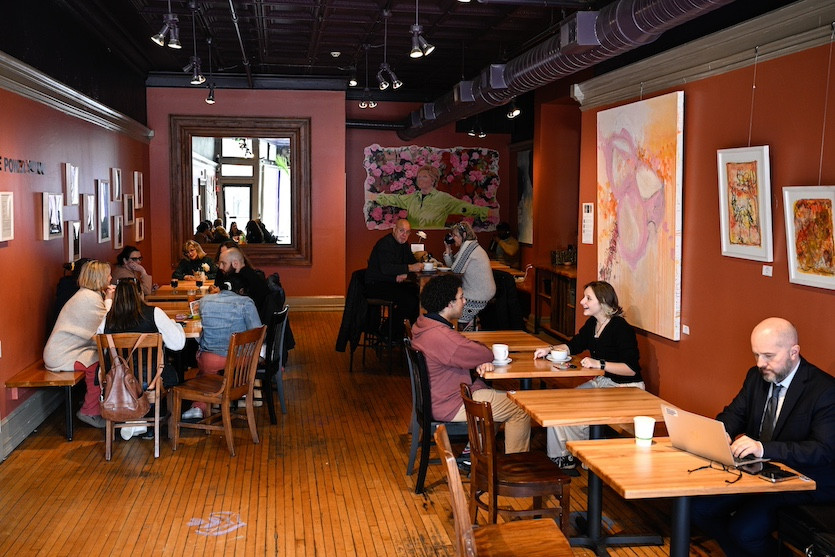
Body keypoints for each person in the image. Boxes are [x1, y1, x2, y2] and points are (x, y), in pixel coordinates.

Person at [690, 317, 835, 557]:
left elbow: (823, 450)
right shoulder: (756, 377)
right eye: (756, 355)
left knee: (744, 531)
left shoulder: (824, 391)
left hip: (805, 480)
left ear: (793, 352)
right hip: (759, 473)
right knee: (699, 510)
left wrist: (763, 448)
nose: (760, 363)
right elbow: (733, 414)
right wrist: (721, 433)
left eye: (768, 356)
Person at [411, 274, 530, 454]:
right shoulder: (443, 337)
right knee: (521, 408)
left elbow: (468, 351)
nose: (465, 301)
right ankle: (516, 470)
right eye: (461, 297)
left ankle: (472, 453)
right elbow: (484, 353)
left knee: (499, 401)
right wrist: (479, 359)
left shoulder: (424, 325)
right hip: (451, 403)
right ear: (448, 304)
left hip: (437, 398)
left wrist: (476, 360)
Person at [533, 280, 643, 473]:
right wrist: (548, 349)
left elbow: (631, 369)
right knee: (559, 403)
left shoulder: (621, 328)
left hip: (627, 389)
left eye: (588, 298)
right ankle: (561, 457)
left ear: (603, 302)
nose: (582, 301)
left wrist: (598, 364)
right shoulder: (593, 323)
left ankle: (588, 452)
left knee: (579, 413)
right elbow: (573, 345)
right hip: (603, 382)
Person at [102, 278, 186, 439]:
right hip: (150, 381)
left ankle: (136, 420)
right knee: (169, 373)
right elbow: (178, 344)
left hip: (117, 382)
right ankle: (142, 420)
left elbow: (101, 347)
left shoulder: (107, 319)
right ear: (140, 294)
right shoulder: (154, 313)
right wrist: (174, 325)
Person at [44, 260, 115, 429]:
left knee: (101, 360)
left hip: (72, 349)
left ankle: (94, 402)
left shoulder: (89, 295)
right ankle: (89, 411)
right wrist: (110, 299)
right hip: (61, 354)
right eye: (108, 275)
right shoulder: (88, 299)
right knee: (97, 364)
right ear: (99, 278)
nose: (111, 277)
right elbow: (106, 323)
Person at [181, 280, 262, 420]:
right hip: (241, 360)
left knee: (204, 372)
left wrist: (203, 345)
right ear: (241, 290)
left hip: (211, 360)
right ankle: (237, 390)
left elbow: (201, 330)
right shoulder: (246, 302)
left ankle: (199, 406)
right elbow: (257, 331)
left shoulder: (205, 301)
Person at [372, 165, 491, 229]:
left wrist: (487, 212)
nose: (420, 179)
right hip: (412, 240)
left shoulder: (443, 198)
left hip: (435, 239)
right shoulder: (412, 197)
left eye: (424, 177)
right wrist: (373, 196)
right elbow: (395, 199)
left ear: (433, 180)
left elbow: (464, 207)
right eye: (419, 176)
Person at [365, 218, 422, 336]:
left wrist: (416, 264)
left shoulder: (404, 245)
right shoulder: (385, 244)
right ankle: (387, 332)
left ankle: (412, 335)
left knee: (418, 295)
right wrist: (409, 268)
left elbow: (411, 262)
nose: (404, 235)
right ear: (394, 230)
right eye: (402, 231)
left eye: (407, 232)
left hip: (390, 283)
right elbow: (386, 269)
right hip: (376, 285)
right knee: (409, 300)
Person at [443, 221, 496, 330]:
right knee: (451, 303)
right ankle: (469, 329)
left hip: (479, 294)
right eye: (452, 236)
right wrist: (448, 249)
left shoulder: (469, 247)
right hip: (479, 291)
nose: (453, 239)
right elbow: (453, 265)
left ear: (464, 235)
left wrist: (450, 256)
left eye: (455, 236)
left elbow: (456, 270)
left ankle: (466, 332)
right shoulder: (469, 245)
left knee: (452, 310)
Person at [215, 247, 269, 312]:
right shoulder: (244, 274)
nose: (220, 267)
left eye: (223, 263)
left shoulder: (246, 279)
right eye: (219, 263)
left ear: (235, 263)